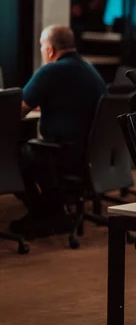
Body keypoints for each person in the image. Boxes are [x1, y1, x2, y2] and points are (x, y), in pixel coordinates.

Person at [11, 25, 107, 237]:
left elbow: (16, 111)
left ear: (50, 50)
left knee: (16, 155)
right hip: (90, 155)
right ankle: (53, 211)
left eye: (42, 47)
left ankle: (45, 213)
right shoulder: (89, 69)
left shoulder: (50, 70)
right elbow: (69, 102)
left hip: (63, 154)